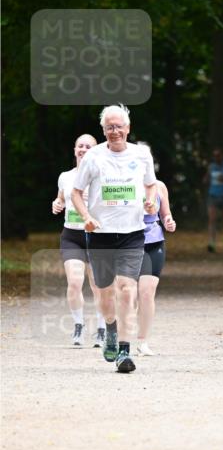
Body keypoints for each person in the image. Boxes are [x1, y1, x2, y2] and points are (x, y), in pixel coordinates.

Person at [70, 104, 157, 374]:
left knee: (128, 290)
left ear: (128, 128)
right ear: (103, 130)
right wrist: (86, 215)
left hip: (132, 233)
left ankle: (124, 351)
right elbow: (76, 192)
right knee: (105, 293)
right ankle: (109, 328)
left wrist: (151, 201)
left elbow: (151, 184)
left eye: (119, 126)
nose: (115, 131)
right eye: (110, 127)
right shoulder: (93, 157)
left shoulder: (141, 154)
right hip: (100, 235)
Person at [51, 134, 107, 347]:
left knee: (98, 286)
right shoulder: (65, 176)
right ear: (74, 150)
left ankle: (102, 329)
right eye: (80, 146)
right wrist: (57, 203)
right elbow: (60, 198)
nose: (83, 149)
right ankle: (78, 327)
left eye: (88, 146)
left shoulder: (102, 175)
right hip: (72, 236)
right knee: (74, 282)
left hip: (97, 236)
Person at [136, 146, 177, 356]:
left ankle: (142, 341)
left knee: (147, 291)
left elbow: (166, 214)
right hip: (128, 242)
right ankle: (118, 334)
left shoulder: (160, 186)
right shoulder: (127, 184)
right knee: (125, 293)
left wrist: (169, 222)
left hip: (154, 241)